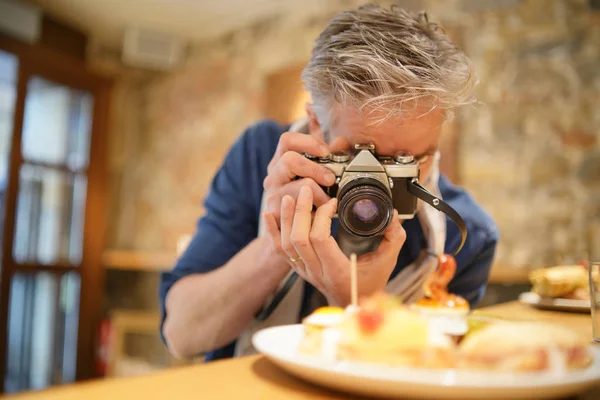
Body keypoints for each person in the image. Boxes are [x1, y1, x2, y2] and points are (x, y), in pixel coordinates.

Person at [159, 4, 499, 361]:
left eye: (409, 160)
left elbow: (435, 377)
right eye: (360, 152)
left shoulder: (466, 238)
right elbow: (181, 335)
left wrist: (361, 305)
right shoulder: (261, 157)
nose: (377, 182)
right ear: (316, 124)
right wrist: (279, 241)